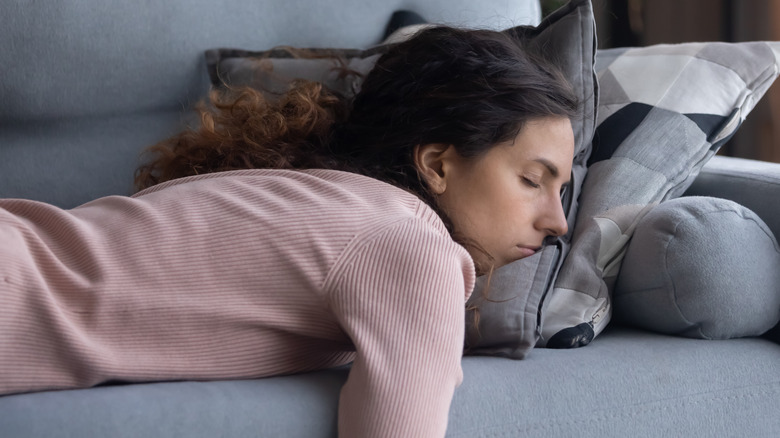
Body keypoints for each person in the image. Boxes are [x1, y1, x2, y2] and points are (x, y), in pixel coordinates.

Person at [0, 26, 576, 437]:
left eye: (562, 190)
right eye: (532, 179)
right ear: (438, 164)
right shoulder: (409, 244)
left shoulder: (317, 199)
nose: (559, 222)